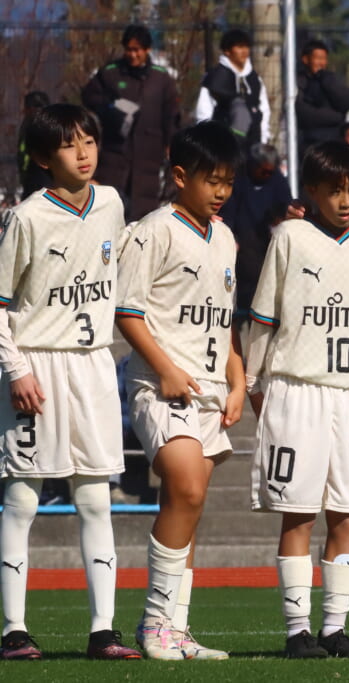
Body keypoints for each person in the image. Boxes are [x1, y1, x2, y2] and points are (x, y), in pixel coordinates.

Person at [0, 104, 140, 661]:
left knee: (95, 500)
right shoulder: (25, 218)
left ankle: (104, 631)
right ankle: (14, 630)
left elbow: (131, 256)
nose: (83, 153)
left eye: (89, 140)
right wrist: (16, 369)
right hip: (37, 366)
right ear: (42, 158)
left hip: (93, 366)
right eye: (68, 144)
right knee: (21, 500)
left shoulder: (111, 203)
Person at [246, 141, 349, 659]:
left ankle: (334, 628)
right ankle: (297, 630)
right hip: (298, 388)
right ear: (311, 190)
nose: (345, 200)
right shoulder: (290, 236)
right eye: (334, 190)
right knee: (299, 514)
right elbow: (263, 317)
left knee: (346, 515)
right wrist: (253, 382)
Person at [115, 121, 245, 660]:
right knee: (187, 489)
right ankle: (153, 626)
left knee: (186, 506)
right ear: (180, 176)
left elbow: (224, 321)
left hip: (212, 389)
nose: (221, 191)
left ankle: (177, 629)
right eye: (212, 180)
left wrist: (238, 378)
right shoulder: (154, 230)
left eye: (228, 181)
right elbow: (127, 311)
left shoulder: (226, 237)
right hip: (162, 386)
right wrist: (165, 369)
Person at [81, 24, 180, 222]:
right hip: (115, 152)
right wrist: (110, 108)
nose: (133, 55)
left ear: (147, 49)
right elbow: (89, 96)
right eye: (129, 49)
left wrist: (171, 143)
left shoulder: (161, 78)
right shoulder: (111, 73)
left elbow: (172, 115)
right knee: (110, 206)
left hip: (148, 154)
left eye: (137, 50)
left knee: (143, 212)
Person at [218, 143, 292, 322]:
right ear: (253, 165)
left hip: (266, 239)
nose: (267, 175)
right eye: (263, 171)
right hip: (242, 241)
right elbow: (228, 212)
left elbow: (283, 209)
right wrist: (230, 238)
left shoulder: (277, 181)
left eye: (270, 172)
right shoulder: (238, 179)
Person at [195, 30, 271, 147]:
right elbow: (204, 112)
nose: (244, 51)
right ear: (227, 51)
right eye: (240, 47)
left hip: (253, 144)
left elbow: (264, 109)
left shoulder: (254, 79)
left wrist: (263, 139)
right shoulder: (216, 78)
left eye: (246, 47)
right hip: (223, 144)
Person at [296, 39, 349, 159]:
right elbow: (304, 114)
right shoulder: (298, 82)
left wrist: (328, 83)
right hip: (309, 141)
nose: (322, 63)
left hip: (335, 140)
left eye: (324, 59)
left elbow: (348, 101)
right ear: (305, 59)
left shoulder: (331, 79)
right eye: (318, 58)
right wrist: (336, 116)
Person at [16, 91, 51, 201]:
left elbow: (24, 153)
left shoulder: (36, 124)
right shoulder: (30, 123)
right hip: (34, 176)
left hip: (39, 176)